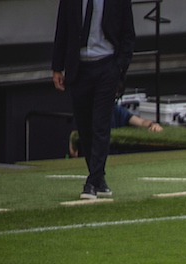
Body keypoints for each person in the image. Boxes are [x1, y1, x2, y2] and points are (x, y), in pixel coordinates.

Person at [52, 0, 136, 200]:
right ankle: (98, 178)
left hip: (106, 65)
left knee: (100, 125)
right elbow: (62, 30)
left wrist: (120, 67)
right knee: (85, 127)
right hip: (79, 67)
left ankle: (91, 181)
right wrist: (57, 67)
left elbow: (128, 33)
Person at [68, 102, 162, 158]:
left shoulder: (116, 110)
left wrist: (152, 124)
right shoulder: (84, 112)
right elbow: (73, 148)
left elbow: (141, 122)